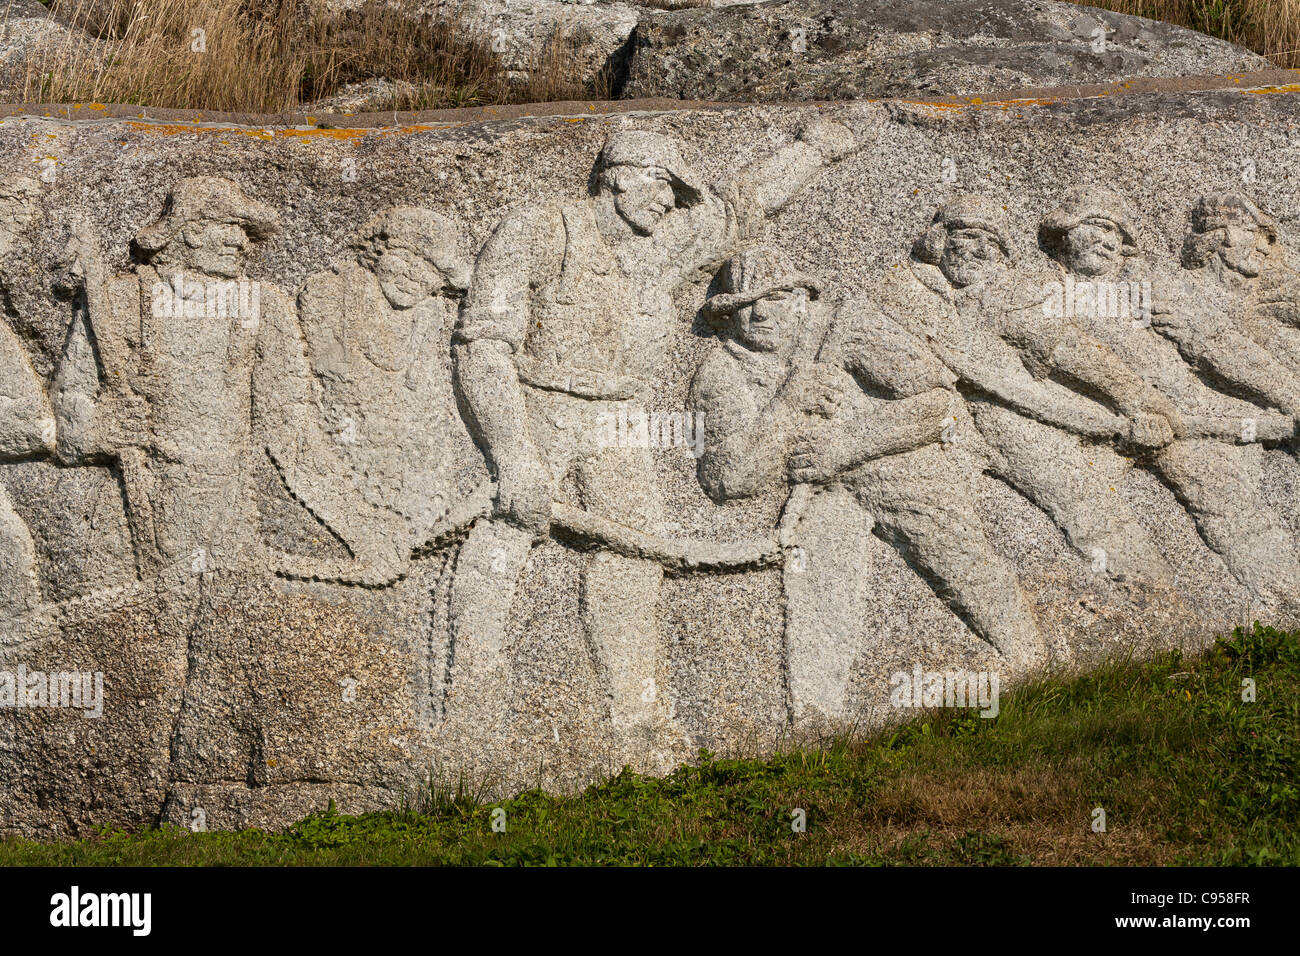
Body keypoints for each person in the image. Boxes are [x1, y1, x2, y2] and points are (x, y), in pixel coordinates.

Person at [448, 122, 859, 763]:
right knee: (505, 534)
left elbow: (745, 202)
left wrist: (823, 146)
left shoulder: (659, 248)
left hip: (622, 421)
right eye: (663, 186)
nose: (670, 201)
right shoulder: (539, 228)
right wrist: (512, 453)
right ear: (619, 176)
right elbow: (482, 343)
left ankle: (634, 715)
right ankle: (468, 705)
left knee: (635, 557)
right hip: (542, 406)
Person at [691, 246, 1050, 723]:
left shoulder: (847, 325)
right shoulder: (720, 373)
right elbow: (727, 479)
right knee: (818, 594)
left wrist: (844, 446)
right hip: (820, 497)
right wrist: (787, 406)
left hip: (894, 470)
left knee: (969, 568)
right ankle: (819, 724)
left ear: (802, 298)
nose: (759, 314)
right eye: (743, 305)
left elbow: (937, 404)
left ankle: (1037, 668)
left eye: (774, 298)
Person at [878, 196, 1177, 590]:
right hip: (928, 424)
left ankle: (1147, 591)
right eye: (969, 236)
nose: (982, 250)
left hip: (1012, 418)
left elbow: (1069, 352)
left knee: (1084, 500)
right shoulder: (899, 291)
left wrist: (1140, 402)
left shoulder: (1007, 294)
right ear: (938, 241)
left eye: (994, 243)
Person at [1041, 187, 1300, 609]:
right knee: (1087, 508)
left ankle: (1281, 599)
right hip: (1098, 426)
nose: (1101, 241)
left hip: (1190, 417)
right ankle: (1156, 612)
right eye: (1090, 227)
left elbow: (1219, 348)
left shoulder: (1142, 286)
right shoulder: (1044, 293)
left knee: (1225, 497)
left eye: (1111, 231)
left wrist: (1290, 396)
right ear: (1062, 235)